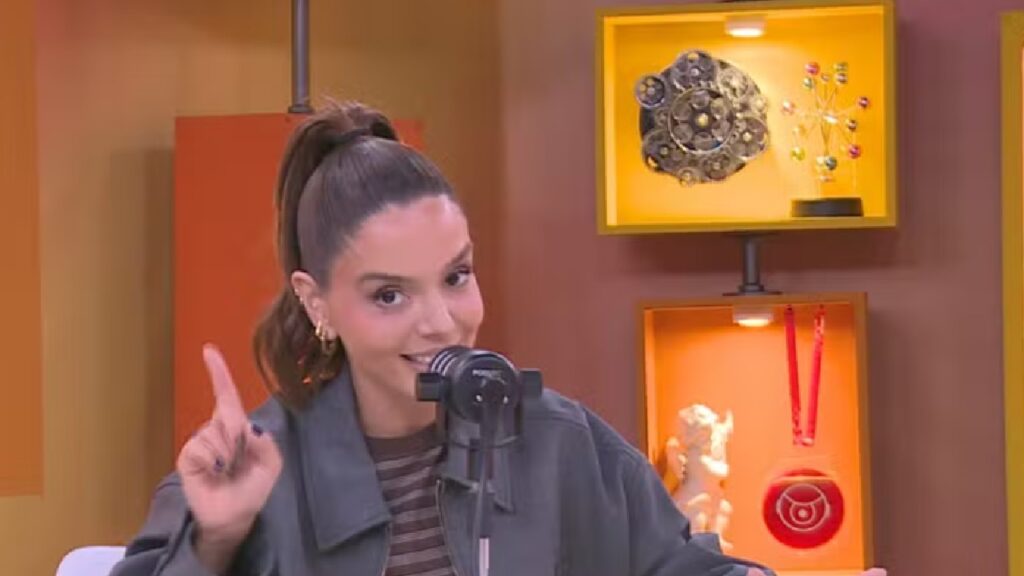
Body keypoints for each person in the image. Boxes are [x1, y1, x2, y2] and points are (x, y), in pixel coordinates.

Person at [110, 101, 885, 576]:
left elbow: (681, 568)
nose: (441, 321)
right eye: (389, 295)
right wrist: (215, 542)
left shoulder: (559, 441)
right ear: (317, 303)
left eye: (456, 276)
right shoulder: (255, 467)